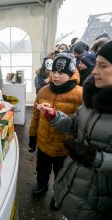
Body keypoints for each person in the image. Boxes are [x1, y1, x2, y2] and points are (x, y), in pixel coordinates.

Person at [37, 41, 112, 220]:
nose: (94, 71)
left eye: (103, 66)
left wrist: (95, 158)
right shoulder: (91, 98)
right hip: (74, 181)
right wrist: (54, 116)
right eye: (96, 65)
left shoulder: (79, 93)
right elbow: (74, 125)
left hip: (100, 197)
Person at [28, 53, 82, 210]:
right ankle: (42, 185)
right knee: (42, 168)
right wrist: (32, 136)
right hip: (43, 143)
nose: (56, 76)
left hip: (64, 148)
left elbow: (81, 124)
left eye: (61, 72)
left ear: (71, 73)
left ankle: (59, 196)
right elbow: (35, 116)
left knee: (62, 175)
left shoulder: (80, 94)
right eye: (54, 72)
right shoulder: (43, 91)